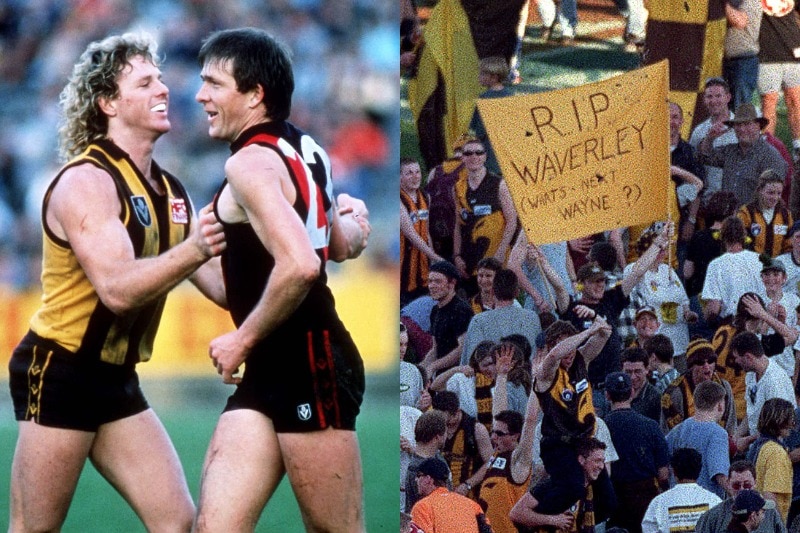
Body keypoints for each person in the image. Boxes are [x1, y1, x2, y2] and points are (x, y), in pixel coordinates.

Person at [7, 32, 227, 532]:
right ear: (108, 102)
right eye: (146, 81)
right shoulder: (86, 181)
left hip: (115, 377)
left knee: (176, 522)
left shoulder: (171, 191)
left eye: (162, 79)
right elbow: (118, 288)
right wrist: (195, 247)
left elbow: (223, 289)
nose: (165, 89)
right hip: (59, 369)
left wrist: (309, 247)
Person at [193, 28, 371, 532]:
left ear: (254, 95)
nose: (201, 96)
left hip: (308, 359)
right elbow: (336, 246)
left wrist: (240, 339)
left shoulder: (247, 162)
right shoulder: (305, 147)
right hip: (272, 366)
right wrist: (356, 224)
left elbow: (300, 265)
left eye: (213, 84)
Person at [530, 317, 614, 518]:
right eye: (566, 345)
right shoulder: (546, 372)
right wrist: (586, 333)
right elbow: (556, 354)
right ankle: (534, 517)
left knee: (609, 501)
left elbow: (605, 335)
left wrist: (597, 321)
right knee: (573, 488)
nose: (569, 352)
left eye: (573, 345)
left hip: (584, 441)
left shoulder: (580, 361)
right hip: (558, 444)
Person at [604, 371, 671, 533]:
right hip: (646, 502)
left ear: (607, 395)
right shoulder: (651, 426)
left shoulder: (601, 427)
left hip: (614, 501)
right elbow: (663, 473)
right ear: (632, 392)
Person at [453, 136, 519, 295]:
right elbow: (457, 224)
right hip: (469, 258)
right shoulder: (457, 187)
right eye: (468, 153)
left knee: (498, 300)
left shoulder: (499, 184)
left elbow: (512, 221)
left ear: (485, 156)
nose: (474, 157)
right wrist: (456, 255)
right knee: (473, 302)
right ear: (462, 157)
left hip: (495, 257)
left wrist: (501, 253)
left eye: (478, 152)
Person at [510, 437, 617, 532]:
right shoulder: (556, 484)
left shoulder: (595, 491)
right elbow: (516, 513)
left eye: (603, 461)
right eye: (597, 461)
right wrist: (553, 520)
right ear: (581, 460)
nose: (601, 466)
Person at [697, 103, 788, 208]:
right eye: (738, 125)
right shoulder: (730, 151)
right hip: (728, 219)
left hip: (754, 221)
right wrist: (709, 138)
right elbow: (703, 157)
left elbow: (773, 198)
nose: (742, 129)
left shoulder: (771, 157)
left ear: (758, 126)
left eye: (747, 124)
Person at [460, 268, 542, 366]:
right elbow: (538, 356)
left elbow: (471, 362)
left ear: (493, 291)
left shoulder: (479, 321)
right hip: (526, 378)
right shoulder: (532, 318)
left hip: (492, 379)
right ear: (517, 292)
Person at [665, 380, 732, 499]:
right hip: (705, 504)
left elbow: (663, 462)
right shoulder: (718, 433)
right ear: (720, 406)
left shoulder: (677, 430)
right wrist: (738, 495)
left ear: (694, 402)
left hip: (677, 501)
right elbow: (720, 475)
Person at [661, 338, 738, 435]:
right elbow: (669, 434)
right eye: (700, 362)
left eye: (710, 361)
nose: (707, 366)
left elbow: (731, 426)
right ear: (691, 366)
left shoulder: (724, 387)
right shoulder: (674, 394)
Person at [702, 216, 766, 327]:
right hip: (759, 323)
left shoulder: (716, 265)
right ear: (744, 236)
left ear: (722, 236)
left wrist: (704, 316)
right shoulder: (760, 260)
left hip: (731, 326)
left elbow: (714, 308)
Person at [641, 448, 723, 533]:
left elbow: (648, 529)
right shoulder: (715, 501)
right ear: (699, 470)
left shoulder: (658, 503)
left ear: (673, 471)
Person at [758, 1, 800, 163]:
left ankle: (798, 150)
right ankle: (768, 150)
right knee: (769, 102)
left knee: (795, 100)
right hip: (767, 54)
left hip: (794, 52)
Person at [695, 460, 785, 533]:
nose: (742, 490)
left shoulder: (770, 513)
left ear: (755, 483)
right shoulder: (713, 516)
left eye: (747, 485)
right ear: (728, 484)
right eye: (736, 485)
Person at [431, 390, 493, 495]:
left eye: (448, 420)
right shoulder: (436, 426)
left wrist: (468, 484)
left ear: (457, 411)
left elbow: (491, 462)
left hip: (470, 493)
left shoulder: (476, 429)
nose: (445, 424)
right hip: (442, 493)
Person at [419, 260, 474, 377]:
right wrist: (418, 370)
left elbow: (462, 349)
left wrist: (434, 366)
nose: (432, 286)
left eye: (438, 281)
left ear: (452, 283)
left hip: (459, 377)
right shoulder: (435, 310)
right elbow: (435, 349)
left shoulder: (461, 310)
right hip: (441, 376)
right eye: (430, 281)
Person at [410, 457, 494, 533]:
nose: (416, 479)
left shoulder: (422, 507)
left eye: (418, 475)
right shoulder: (472, 504)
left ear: (428, 479)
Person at [689, 77, 739, 202]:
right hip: (709, 200)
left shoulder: (742, 127)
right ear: (704, 99)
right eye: (709, 97)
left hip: (738, 198)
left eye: (718, 96)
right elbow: (692, 164)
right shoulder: (699, 131)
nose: (713, 101)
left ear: (728, 97)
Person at [401, 157, 442, 307]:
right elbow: (411, 235)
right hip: (402, 272)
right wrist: (436, 258)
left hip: (423, 270)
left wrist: (432, 261)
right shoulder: (398, 199)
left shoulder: (425, 196)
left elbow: (427, 232)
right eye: (409, 173)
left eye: (417, 172)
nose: (415, 176)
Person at [747, 398, 796, 524]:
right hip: (767, 523)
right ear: (778, 421)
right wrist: (779, 527)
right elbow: (770, 497)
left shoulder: (758, 446)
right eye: (789, 419)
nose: (792, 424)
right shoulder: (776, 453)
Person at [737, 169, 794, 258]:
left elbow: (789, 245)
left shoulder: (785, 215)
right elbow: (740, 244)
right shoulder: (746, 213)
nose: (775, 198)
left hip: (777, 268)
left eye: (779, 193)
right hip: (751, 265)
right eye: (770, 193)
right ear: (760, 190)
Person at [403, 409, 450, 513]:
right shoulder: (418, 470)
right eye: (446, 431)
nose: (447, 435)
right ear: (437, 437)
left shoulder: (438, 457)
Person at [621, 346, 662, 423]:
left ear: (647, 369)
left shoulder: (656, 398)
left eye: (637, 371)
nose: (632, 377)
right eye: (628, 372)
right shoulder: (617, 394)